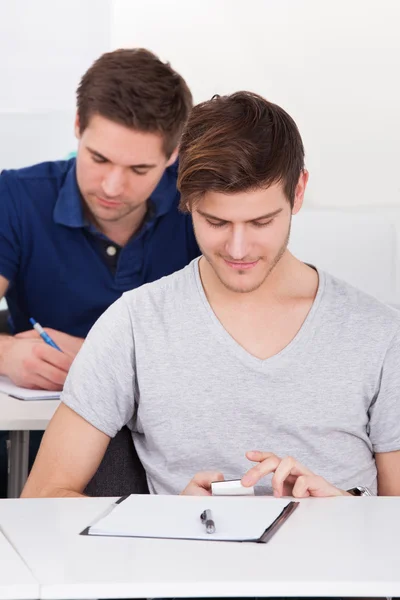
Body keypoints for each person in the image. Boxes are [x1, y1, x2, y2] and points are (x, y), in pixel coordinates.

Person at [22, 91, 400, 500]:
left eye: (261, 222)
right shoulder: (134, 324)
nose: (238, 250)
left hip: (340, 563)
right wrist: (164, 522)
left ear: (298, 192)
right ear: (188, 202)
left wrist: (345, 514)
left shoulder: (379, 336)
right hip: (178, 564)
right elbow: (42, 497)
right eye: (216, 221)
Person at [0, 48, 199, 496]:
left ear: (173, 156)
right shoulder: (16, 196)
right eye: (99, 158)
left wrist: (98, 358)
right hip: (45, 440)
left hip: (179, 451)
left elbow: (250, 333)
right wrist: (7, 353)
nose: (112, 187)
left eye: (139, 169)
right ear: (77, 127)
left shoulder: (202, 205)